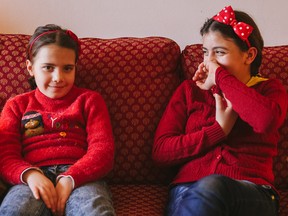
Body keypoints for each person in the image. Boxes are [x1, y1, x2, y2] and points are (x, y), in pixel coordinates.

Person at [153, 5, 287, 216]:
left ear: (249, 55)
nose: (209, 62)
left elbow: (266, 121)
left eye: (220, 52)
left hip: (253, 192)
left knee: (213, 186)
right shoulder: (190, 90)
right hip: (189, 190)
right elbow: (161, 151)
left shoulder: (269, 89)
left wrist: (221, 79)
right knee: (205, 191)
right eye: (206, 53)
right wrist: (218, 131)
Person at [0, 24, 116, 216]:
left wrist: (70, 178)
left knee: (94, 211)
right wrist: (30, 175)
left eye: (67, 68)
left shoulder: (89, 100)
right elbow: (5, 154)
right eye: (48, 67)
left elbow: (103, 151)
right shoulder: (16, 105)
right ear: (30, 68)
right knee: (14, 211)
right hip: (31, 177)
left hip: (81, 177)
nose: (58, 77)